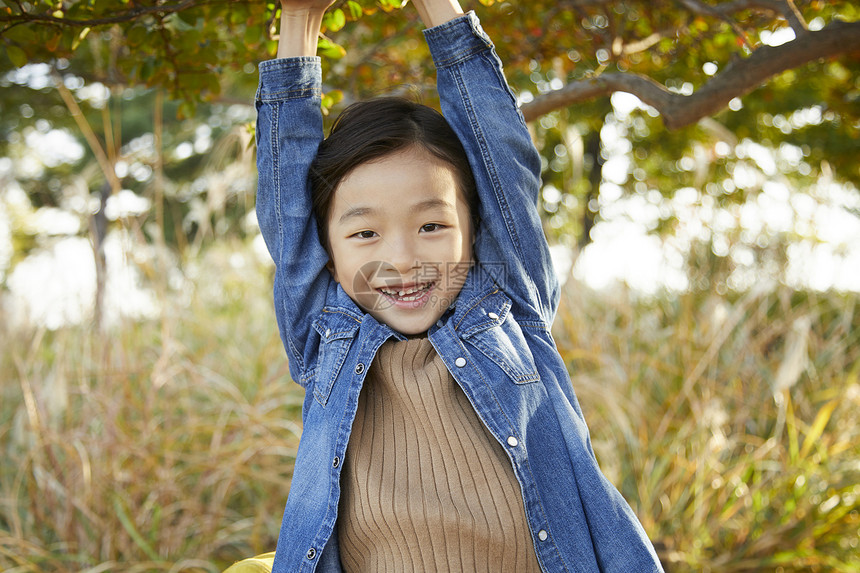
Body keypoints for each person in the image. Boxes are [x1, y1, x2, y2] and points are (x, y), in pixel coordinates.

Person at [229, 0, 665, 571]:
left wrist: (436, 6)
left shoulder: (507, 307)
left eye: (431, 225)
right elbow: (285, 198)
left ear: (475, 228)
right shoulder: (324, 336)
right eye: (365, 233)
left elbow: (501, 155)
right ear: (327, 254)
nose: (403, 260)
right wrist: (300, 20)